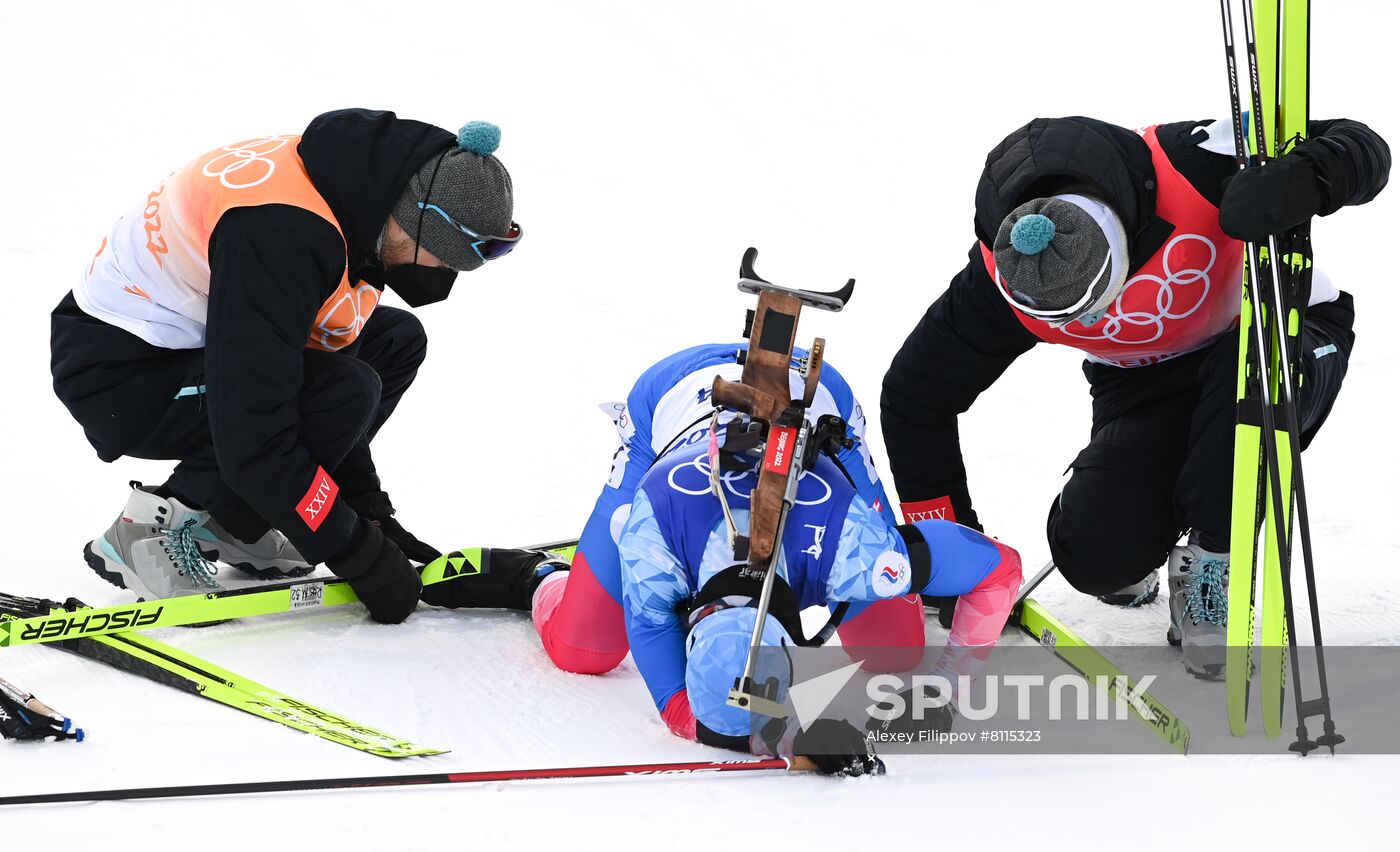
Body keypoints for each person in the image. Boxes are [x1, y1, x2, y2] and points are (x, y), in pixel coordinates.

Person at [881, 114, 1389, 676]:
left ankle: (1215, 558)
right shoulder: (1002, 278)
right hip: (1145, 383)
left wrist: (1312, 175)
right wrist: (953, 558)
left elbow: (1364, 144)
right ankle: (1148, 539)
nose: (1098, 321)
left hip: (1276, 341)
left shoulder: (1194, 162)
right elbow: (914, 398)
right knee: (1095, 556)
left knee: (1240, 397)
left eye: (1095, 304)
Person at [50, 109, 521, 624]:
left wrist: (365, 510)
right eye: (448, 259)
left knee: (393, 343)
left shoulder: (355, 198)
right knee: (342, 389)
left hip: (192, 345)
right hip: (122, 373)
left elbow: (320, 371)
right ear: (418, 225)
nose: (445, 274)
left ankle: (231, 524)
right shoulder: (283, 236)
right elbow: (255, 429)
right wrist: (353, 549)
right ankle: (148, 530)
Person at [420, 342, 927, 674]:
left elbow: (966, 562)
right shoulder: (659, 512)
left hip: (812, 399)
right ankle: (540, 576)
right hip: (676, 397)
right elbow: (653, 627)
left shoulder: (845, 533)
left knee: (895, 654)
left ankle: (604, 571)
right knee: (584, 650)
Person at [615, 437, 1022, 774]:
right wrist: (787, 736)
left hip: (816, 485)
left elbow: (999, 567)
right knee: (583, 647)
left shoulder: (857, 552)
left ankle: (559, 578)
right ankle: (559, 579)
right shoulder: (650, 556)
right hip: (669, 452)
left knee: (893, 650)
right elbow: (681, 706)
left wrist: (949, 693)